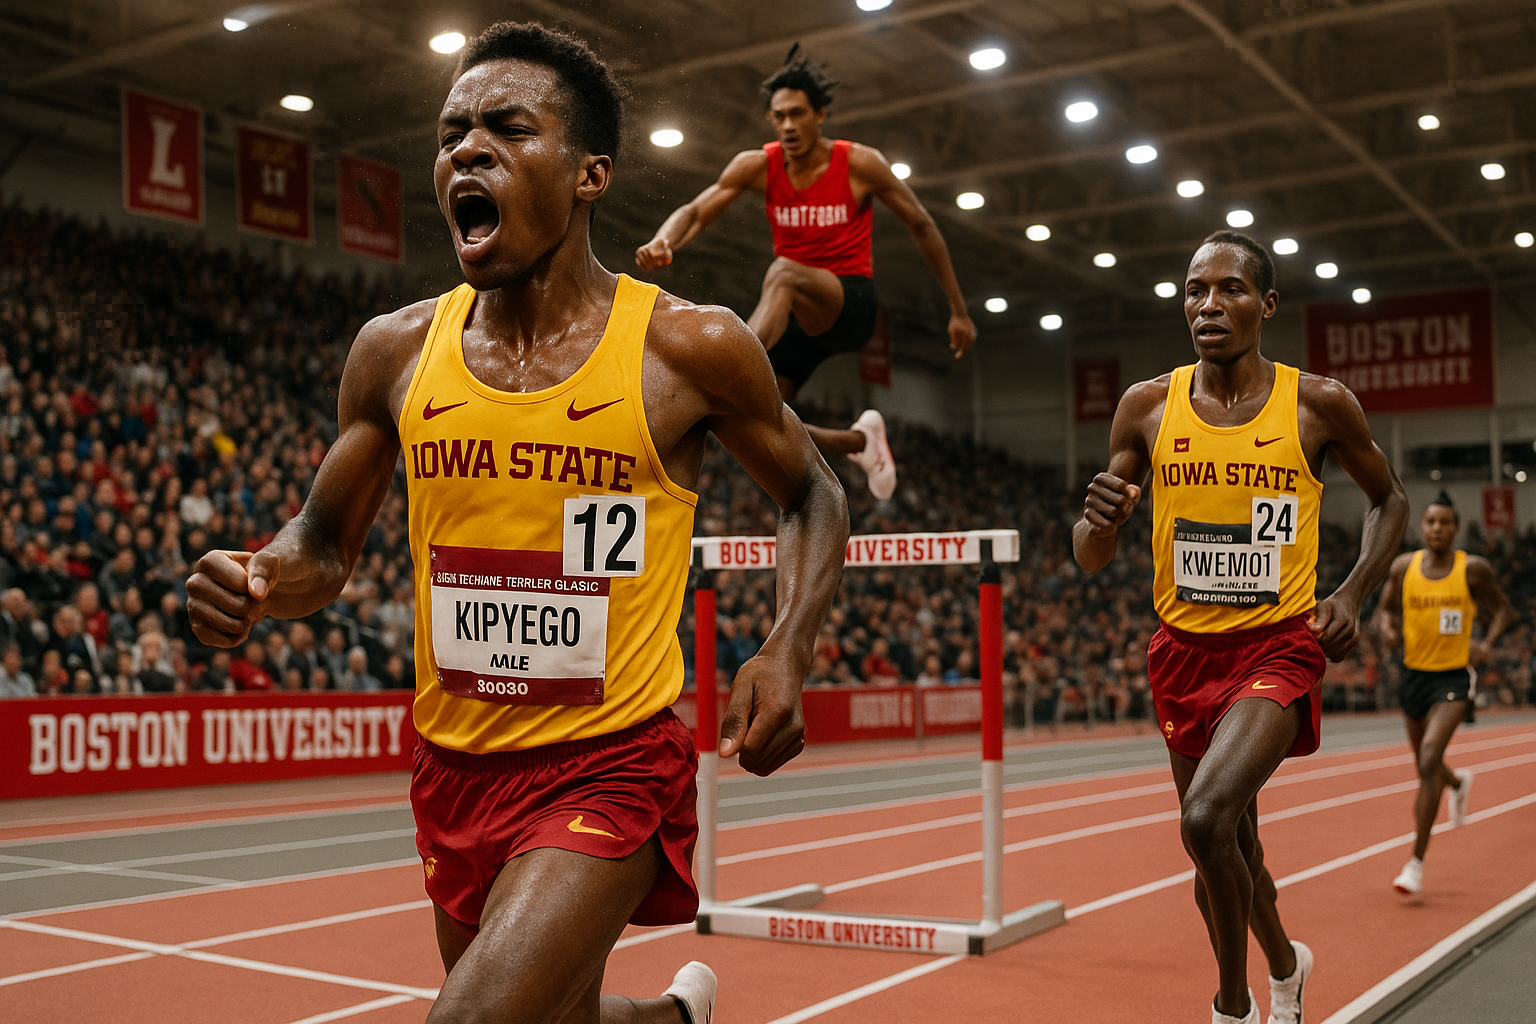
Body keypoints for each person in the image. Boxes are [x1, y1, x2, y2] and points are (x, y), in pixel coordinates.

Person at [187, 21, 847, 1024]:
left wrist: (786, 647)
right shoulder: (395, 352)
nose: (468, 150)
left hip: (609, 761)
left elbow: (814, 492)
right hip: (451, 766)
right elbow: (322, 542)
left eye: (507, 128)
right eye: (452, 133)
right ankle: (673, 1019)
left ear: (590, 175)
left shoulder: (685, 348)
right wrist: (261, 576)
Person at [1072, 230, 1408, 1024]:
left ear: (1268, 304)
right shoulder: (1147, 407)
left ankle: (1232, 1007)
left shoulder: (1318, 403)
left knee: (1205, 820)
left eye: (1230, 289)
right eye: (1195, 290)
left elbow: (1389, 500)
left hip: (1277, 647)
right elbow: (1088, 554)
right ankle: (1288, 969)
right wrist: (1099, 522)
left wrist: (1354, 593)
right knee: (1230, 850)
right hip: (1182, 653)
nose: (1209, 305)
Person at [636, 51, 977, 500]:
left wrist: (958, 310)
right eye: (779, 117)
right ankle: (859, 443)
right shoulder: (758, 165)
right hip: (796, 315)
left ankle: (734, 356)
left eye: (797, 114)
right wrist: (664, 240)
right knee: (751, 412)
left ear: (820, 114)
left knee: (783, 274)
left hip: (851, 303)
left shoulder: (859, 164)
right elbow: (698, 209)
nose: (788, 125)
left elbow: (922, 226)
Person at [1375, 492, 1515, 897]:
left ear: (1455, 528)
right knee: (1428, 764)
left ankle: (1415, 864)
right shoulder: (1404, 567)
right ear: (1423, 527)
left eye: (1445, 523)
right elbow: (1385, 609)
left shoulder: (1472, 569)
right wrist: (1388, 629)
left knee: (1428, 759)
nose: (1437, 528)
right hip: (1413, 676)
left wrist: (1486, 642)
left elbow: (1504, 610)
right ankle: (1456, 783)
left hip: (1452, 677)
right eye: (1431, 522)